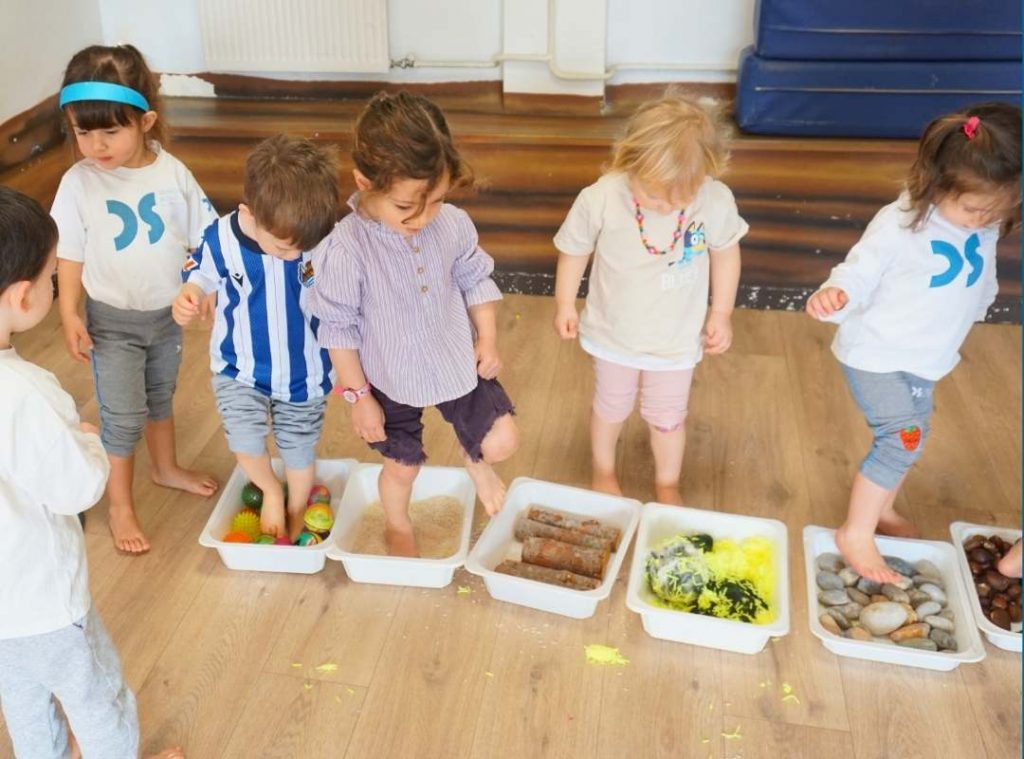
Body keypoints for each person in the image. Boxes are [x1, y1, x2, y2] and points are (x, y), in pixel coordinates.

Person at [0, 186, 184, 759]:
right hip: (47, 603)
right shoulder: (26, 393)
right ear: (22, 295)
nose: (57, 286)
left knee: (26, 711)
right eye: (55, 276)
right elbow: (76, 488)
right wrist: (89, 441)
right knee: (96, 698)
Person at [806, 102, 1021, 584]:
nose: (981, 220)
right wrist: (836, 295)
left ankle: (882, 505)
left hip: (927, 357)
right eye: (971, 209)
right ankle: (855, 532)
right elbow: (857, 272)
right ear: (937, 184)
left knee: (913, 436)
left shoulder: (983, 222)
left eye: (996, 211)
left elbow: (980, 273)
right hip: (878, 353)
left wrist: (980, 305)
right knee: (901, 437)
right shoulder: (901, 223)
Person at [310, 91, 519, 557]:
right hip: (387, 376)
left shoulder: (452, 224)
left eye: (437, 201)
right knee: (403, 469)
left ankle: (474, 459)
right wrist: (358, 397)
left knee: (502, 440)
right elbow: (338, 329)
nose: (424, 218)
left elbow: (474, 277)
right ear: (365, 181)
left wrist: (486, 336)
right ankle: (398, 522)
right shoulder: (346, 250)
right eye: (408, 207)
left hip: (452, 358)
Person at [51, 44, 218, 554]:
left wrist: (202, 289)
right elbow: (71, 256)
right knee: (122, 415)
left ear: (144, 121)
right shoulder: (78, 183)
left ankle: (165, 468)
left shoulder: (174, 175)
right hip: (112, 324)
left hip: (166, 320)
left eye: (110, 131)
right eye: (84, 132)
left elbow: (205, 241)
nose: (96, 146)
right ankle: (120, 504)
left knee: (160, 397)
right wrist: (68, 313)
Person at [552, 91, 746, 504]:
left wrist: (722, 311)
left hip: (675, 340)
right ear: (629, 161)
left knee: (668, 417)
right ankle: (603, 470)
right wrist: (565, 303)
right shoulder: (601, 197)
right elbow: (574, 249)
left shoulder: (713, 200)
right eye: (654, 195)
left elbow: (726, 252)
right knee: (611, 406)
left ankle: (667, 483)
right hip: (613, 334)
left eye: (680, 198)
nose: (664, 206)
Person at [173, 135, 340, 540]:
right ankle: (268, 489)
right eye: (284, 248)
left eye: (302, 248)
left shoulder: (317, 240)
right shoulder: (220, 238)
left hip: (304, 368)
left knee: (298, 443)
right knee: (244, 436)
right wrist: (190, 295)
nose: (293, 256)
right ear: (250, 213)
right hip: (239, 366)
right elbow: (198, 275)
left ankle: (297, 503)